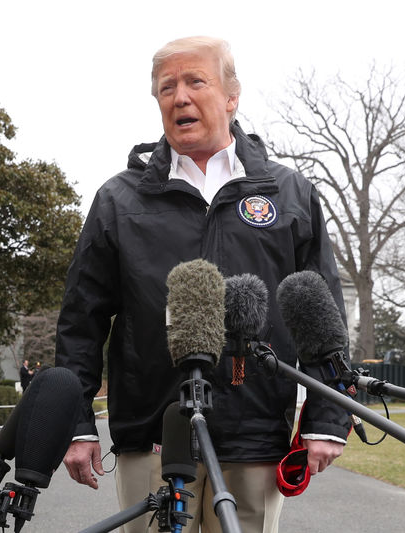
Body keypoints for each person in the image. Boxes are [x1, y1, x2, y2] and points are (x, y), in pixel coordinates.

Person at [56, 36, 351, 533]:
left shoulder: (290, 194)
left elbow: (321, 316)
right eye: (167, 87)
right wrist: (76, 420)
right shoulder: (118, 200)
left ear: (232, 97)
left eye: (196, 81)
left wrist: (328, 417)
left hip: (255, 434)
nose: (180, 97)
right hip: (152, 432)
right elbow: (80, 322)